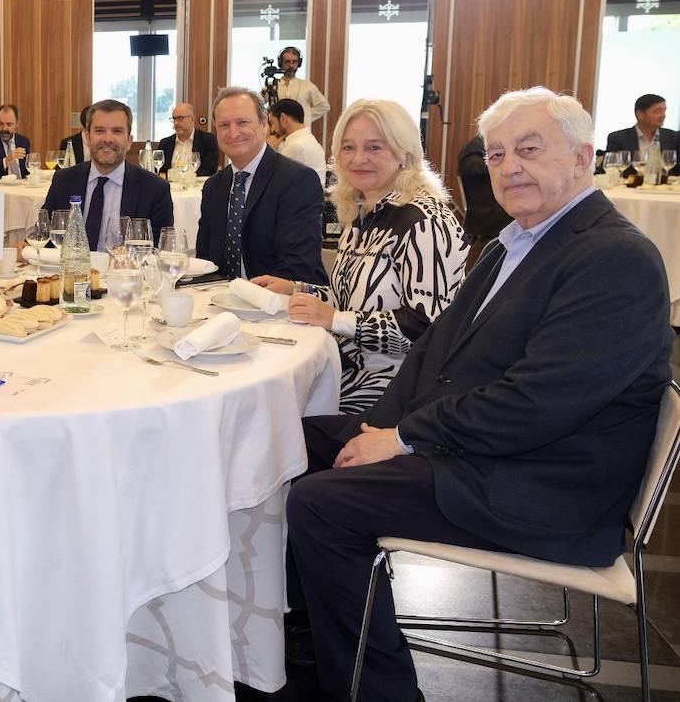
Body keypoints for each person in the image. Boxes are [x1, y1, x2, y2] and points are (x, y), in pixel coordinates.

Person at [286, 88, 672, 702]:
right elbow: (432, 351)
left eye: (528, 149)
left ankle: (370, 688)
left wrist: (404, 438)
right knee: (286, 440)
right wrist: (376, 431)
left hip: (544, 485)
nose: (509, 166)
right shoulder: (514, 243)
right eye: (495, 154)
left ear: (582, 157)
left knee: (321, 504)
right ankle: (311, 629)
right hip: (487, 449)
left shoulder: (616, 258)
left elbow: (538, 401)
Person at [252, 100, 467, 414]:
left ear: (404, 153)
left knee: (274, 417)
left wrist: (332, 319)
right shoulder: (363, 211)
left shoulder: (424, 222)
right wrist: (297, 289)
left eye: (375, 147)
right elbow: (351, 299)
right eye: (348, 147)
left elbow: (427, 329)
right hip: (348, 368)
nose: (358, 159)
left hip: (397, 388)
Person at [196, 87, 326, 283]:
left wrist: (248, 296)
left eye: (242, 123)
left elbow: (298, 265)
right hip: (223, 300)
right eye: (224, 125)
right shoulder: (214, 186)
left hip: (282, 303)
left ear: (264, 124)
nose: (233, 132)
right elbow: (206, 259)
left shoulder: (297, 180)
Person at [41, 99, 173, 250]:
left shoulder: (154, 189)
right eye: (99, 130)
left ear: (129, 141)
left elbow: (161, 250)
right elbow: (46, 236)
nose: (108, 139)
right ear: (88, 138)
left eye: (117, 131)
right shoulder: (64, 181)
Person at [457, 134, 511, 268]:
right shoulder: (474, 147)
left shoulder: (486, 145)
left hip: (490, 205)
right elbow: (472, 167)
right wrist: (496, 163)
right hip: (482, 209)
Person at [605, 93, 679, 177]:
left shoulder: (673, 137)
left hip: (665, 188)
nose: (663, 115)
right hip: (630, 188)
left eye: (664, 111)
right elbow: (610, 169)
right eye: (657, 111)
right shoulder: (618, 138)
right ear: (640, 114)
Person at [157, 101, 220, 178]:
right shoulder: (165, 143)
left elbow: (210, 170)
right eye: (174, 119)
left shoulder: (208, 140)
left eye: (180, 118)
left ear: (192, 119)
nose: (176, 123)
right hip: (171, 187)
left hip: (197, 187)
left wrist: (184, 177)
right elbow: (160, 171)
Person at [269, 97, 327, 179]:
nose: (272, 130)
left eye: (272, 123)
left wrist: (269, 150)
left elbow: (273, 181)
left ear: (283, 118)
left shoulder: (296, 146)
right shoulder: (305, 138)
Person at [274, 46, 329, 126]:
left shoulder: (307, 86)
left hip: (301, 133)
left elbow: (324, 106)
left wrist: (306, 116)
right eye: (287, 62)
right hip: (278, 134)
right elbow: (259, 105)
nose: (291, 65)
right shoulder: (272, 85)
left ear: (299, 63)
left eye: (294, 62)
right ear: (281, 63)